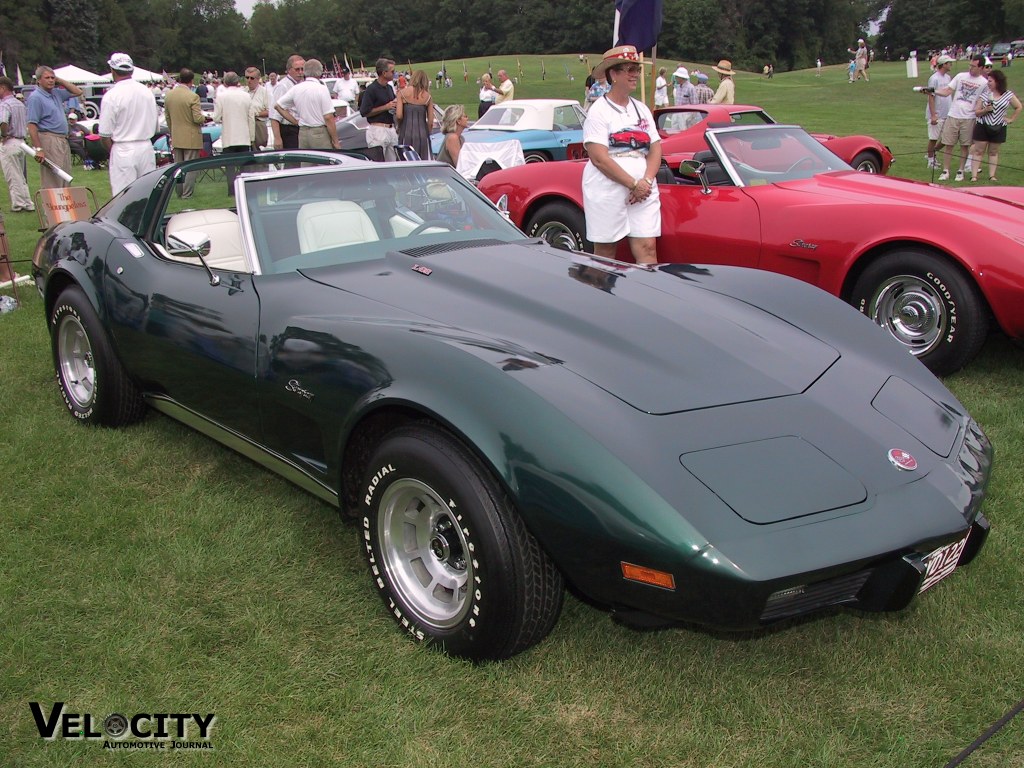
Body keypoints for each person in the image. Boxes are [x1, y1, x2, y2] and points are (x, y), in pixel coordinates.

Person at [581, 45, 661, 265]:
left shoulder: (641, 109)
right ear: (613, 74)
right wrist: (632, 184)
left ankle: (647, 297)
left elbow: (655, 148)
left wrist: (645, 181)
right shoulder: (599, 111)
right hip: (607, 188)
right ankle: (602, 297)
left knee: (648, 247)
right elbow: (599, 158)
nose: (635, 74)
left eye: (636, 69)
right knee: (606, 252)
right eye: (629, 69)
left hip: (643, 189)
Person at [98, 53, 159, 196]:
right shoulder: (147, 92)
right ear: (131, 70)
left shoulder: (112, 95)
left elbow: (104, 135)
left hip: (123, 148)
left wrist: (112, 149)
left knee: (123, 197)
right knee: (147, 194)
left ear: (112, 71)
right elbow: (155, 125)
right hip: (146, 147)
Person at [25, 65, 83, 189]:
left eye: (52, 77)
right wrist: (38, 148)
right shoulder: (36, 97)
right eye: (47, 78)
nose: (51, 80)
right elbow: (32, 125)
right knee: (54, 178)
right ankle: (53, 207)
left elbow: (78, 91)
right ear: (39, 80)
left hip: (62, 139)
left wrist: (60, 81)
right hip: (49, 138)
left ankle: (64, 206)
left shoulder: (56, 93)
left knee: (65, 176)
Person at [934, 55, 990, 181]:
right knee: (949, 144)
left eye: (974, 66)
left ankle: (960, 171)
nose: (971, 68)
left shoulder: (984, 83)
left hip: (969, 117)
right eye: (970, 65)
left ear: (981, 67)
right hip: (953, 114)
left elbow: (982, 101)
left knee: (965, 146)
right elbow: (947, 91)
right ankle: (945, 171)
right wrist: (933, 91)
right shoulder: (960, 76)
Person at [969, 68, 1021, 182]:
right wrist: (985, 110)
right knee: (979, 151)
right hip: (983, 125)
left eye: (990, 81)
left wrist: (1011, 119)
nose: (988, 83)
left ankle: (992, 175)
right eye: (988, 80)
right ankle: (974, 176)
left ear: (998, 81)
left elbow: (1018, 106)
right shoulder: (985, 95)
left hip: (999, 126)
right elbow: (977, 112)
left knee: (993, 152)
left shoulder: (1008, 95)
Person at [274, 59, 338, 151]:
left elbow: (278, 106)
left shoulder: (296, 88)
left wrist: (295, 122)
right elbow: (328, 117)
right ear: (320, 72)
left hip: (303, 132)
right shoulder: (322, 88)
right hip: (319, 132)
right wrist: (335, 141)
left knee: (306, 163)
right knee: (324, 162)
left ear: (305, 71)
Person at [163, 67, 204, 198]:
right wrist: (205, 118)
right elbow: (197, 118)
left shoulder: (169, 95)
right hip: (191, 136)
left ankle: (179, 191)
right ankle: (187, 193)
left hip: (176, 135)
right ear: (191, 81)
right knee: (190, 167)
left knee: (178, 167)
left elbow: (168, 117)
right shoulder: (193, 96)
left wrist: (172, 131)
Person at [213, 72, 252, 194]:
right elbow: (250, 116)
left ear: (225, 82)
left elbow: (216, 117)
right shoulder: (246, 95)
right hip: (244, 135)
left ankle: (232, 189)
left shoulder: (222, 96)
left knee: (230, 165)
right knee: (244, 165)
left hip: (229, 135)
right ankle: (244, 188)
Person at [0, 76, 34, 211]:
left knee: (12, 175)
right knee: (20, 175)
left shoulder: (4, 104)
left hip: (11, 141)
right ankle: (27, 202)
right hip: (22, 142)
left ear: (3, 88)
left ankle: (18, 204)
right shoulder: (20, 103)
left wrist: (3, 134)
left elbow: (3, 122)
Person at [359, 57, 399, 162]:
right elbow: (364, 112)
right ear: (384, 73)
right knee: (378, 162)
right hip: (377, 130)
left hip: (391, 129)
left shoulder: (389, 88)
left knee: (393, 163)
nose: (394, 74)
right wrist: (385, 107)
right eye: (392, 71)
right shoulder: (371, 90)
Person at [923, 54, 954, 169]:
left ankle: (932, 153)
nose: (951, 65)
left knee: (948, 137)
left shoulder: (948, 78)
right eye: (949, 63)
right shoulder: (934, 78)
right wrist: (933, 115)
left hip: (947, 112)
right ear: (944, 64)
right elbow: (931, 96)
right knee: (933, 138)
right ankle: (931, 160)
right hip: (937, 113)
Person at [396, 70, 433, 160]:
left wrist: (399, 126)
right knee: (422, 161)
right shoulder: (428, 97)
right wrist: (427, 132)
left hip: (406, 132)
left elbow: (399, 115)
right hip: (422, 134)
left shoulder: (402, 93)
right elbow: (430, 121)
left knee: (405, 161)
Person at [270, 55, 304, 150]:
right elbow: (274, 115)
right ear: (289, 70)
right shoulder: (283, 86)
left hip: (300, 128)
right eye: (297, 69)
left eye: (302, 69)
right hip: (289, 129)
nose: (301, 72)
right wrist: (277, 138)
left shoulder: (302, 84)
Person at [245, 66, 269, 150]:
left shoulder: (265, 92)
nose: (249, 80)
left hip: (258, 124)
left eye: (252, 78)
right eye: (247, 77)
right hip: (245, 124)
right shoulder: (243, 91)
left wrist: (256, 113)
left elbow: (270, 111)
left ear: (258, 79)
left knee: (259, 152)